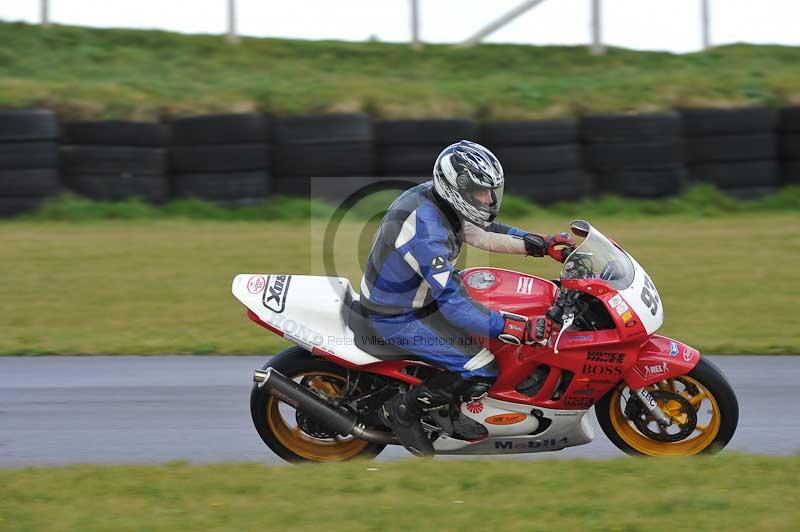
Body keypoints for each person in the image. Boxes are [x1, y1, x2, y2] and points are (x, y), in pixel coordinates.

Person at [359, 140, 575, 456]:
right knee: (481, 368)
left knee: (489, 319)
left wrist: (541, 245)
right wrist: (517, 328)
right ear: (456, 188)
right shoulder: (428, 232)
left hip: (417, 297)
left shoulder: (438, 201)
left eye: (491, 191)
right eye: (480, 192)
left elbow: (483, 232)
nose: (488, 199)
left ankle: (447, 407)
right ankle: (403, 411)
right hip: (398, 315)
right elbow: (456, 306)